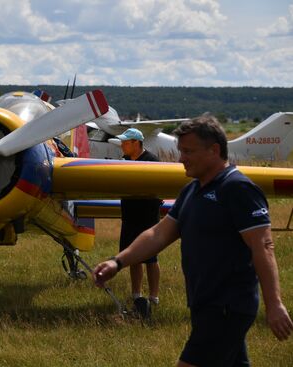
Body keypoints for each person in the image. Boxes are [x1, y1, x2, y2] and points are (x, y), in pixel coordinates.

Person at [93, 115, 292, 366]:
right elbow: (158, 234)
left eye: (188, 151)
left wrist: (274, 304)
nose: (181, 158)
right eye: (180, 151)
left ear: (214, 150)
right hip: (203, 304)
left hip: (227, 307)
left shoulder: (237, 189)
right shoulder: (191, 191)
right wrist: (117, 262)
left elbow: (263, 246)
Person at [115, 128, 161, 308]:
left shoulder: (153, 161)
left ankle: (154, 296)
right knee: (133, 257)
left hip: (147, 218)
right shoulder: (123, 161)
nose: (122, 145)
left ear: (136, 143)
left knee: (151, 258)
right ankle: (136, 294)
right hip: (129, 216)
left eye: (125, 142)